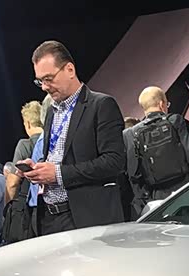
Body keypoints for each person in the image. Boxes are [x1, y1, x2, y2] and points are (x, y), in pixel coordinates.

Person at [23, 40, 126, 234]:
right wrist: (39, 169)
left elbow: (114, 161)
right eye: (40, 81)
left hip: (85, 218)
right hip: (48, 217)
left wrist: (58, 174)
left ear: (70, 70)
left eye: (49, 79)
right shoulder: (51, 112)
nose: (44, 87)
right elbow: (57, 156)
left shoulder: (101, 105)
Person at [124, 85, 189, 216]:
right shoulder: (174, 120)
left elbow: (134, 174)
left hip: (156, 199)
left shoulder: (129, 134)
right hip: (184, 191)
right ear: (162, 104)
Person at [6, 100, 45, 204]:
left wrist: (7, 208)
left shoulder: (24, 145)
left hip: (33, 205)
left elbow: (13, 183)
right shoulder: (54, 140)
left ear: (27, 124)